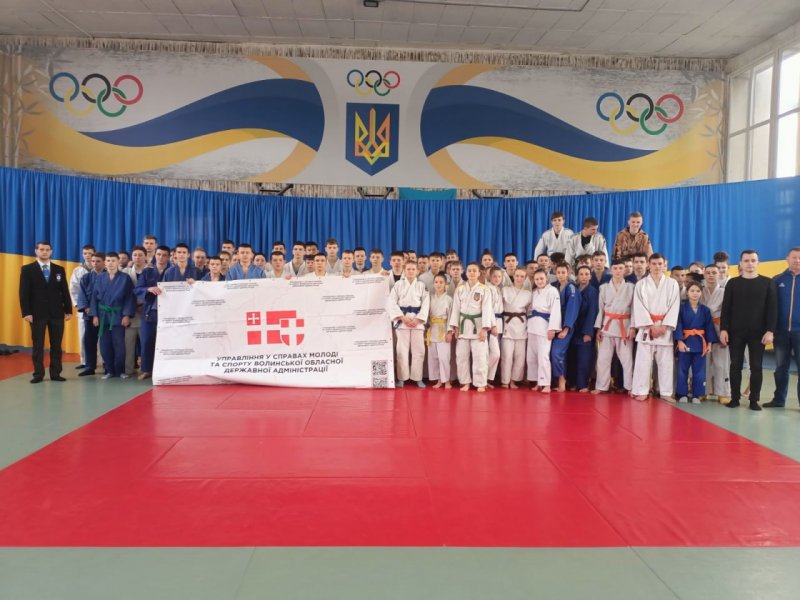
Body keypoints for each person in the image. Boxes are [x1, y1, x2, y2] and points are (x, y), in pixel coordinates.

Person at [720, 250, 777, 410]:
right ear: (740, 263)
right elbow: (726, 308)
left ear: (758, 263)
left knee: (756, 366)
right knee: (735, 365)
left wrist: (770, 331)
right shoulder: (733, 283)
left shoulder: (767, 283)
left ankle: (754, 400)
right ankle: (735, 398)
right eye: (746, 260)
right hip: (735, 332)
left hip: (759, 333)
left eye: (753, 260)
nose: (750, 263)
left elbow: (772, 309)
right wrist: (724, 329)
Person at [19, 241, 73, 384]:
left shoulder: (59, 269)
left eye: (47, 250)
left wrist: (68, 310)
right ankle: (38, 374)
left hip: (57, 313)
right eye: (41, 249)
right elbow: (23, 293)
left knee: (56, 345)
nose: (44, 252)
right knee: (38, 345)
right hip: (37, 314)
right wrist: (26, 312)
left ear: (51, 251)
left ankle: (55, 373)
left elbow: (65, 291)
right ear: (36, 251)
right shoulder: (28, 269)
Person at [631, 253, 681, 402]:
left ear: (665, 265)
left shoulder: (672, 283)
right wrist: (651, 325)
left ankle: (666, 392)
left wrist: (664, 326)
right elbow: (638, 306)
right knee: (643, 362)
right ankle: (641, 390)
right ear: (649, 265)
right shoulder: (641, 284)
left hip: (665, 328)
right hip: (647, 328)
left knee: (666, 363)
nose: (657, 267)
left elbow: (675, 306)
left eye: (660, 264)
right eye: (654, 264)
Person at [448, 262, 493, 392]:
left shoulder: (484, 289)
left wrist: (485, 328)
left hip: (478, 326)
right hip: (463, 326)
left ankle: (480, 383)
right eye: (469, 271)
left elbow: (487, 310)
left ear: (479, 273)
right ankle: (465, 382)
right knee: (461, 356)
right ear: (466, 273)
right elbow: (455, 309)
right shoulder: (460, 289)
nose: (472, 273)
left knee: (480, 356)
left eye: (474, 271)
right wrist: (455, 327)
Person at [91, 252, 137, 380]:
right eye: (108, 261)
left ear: (118, 262)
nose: (110, 263)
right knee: (105, 345)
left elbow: (129, 298)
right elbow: (94, 298)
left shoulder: (125, 278)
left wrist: (126, 315)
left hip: (118, 315)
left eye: (113, 260)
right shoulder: (100, 278)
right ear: (105, 263)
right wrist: (94, 315)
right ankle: (109, 370)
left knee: (119, 345)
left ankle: (120, 370)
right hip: (103, 315)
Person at [593, 259, 635, 394]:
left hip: (625, 326)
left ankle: (630, 387)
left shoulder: (631, 287)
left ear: (625, 270)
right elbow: (601, 309)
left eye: (620, 268)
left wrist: (633, 327)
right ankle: (601, 386)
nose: (618, 271)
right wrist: (599, 328)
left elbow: (634, 309)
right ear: (611, 270)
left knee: (627, 360)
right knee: (603, 359)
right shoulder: (604, 287)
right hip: (607, 326)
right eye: (615, 268)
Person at [765, 247, 800, 408]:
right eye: (794, 257)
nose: (797, 260)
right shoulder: (777, 280)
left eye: (799, 258)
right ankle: (779, 400)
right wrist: (771, 329)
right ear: (787, 259)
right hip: (781, 333)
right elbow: (770, 307)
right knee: (780, 368)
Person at [675, 281, 718, 403]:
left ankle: (696, 395)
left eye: (698, 291)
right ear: (687, 293)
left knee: (699, 371)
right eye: (692, 291)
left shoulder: (705, 310)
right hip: (685, 342)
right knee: (682, 370)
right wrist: (679, 341)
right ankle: (682, 393)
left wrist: (709, 343)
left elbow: (709, 327)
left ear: (701, 293)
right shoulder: (681, 308)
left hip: (700, 344)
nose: (695, 293)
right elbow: (678, 324)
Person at [388, 261, 429, 388]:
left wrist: (418, 319)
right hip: (402, 320)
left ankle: (417, 378)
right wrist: (401, 317)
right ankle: (402, 378)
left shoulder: (422, 285)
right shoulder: (398, 285)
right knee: (401, 351)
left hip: (417, 322)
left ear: (417, 271)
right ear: (404, 271)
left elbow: (426, 303)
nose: (411, 271)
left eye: (413, 269)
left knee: (419, 351)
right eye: (408, 269)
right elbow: (392, 302)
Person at [135, 245, 170, 380]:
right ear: (155, 255)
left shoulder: (172, 271)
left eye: (164, 255)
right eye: (159, 254)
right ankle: (146, 369)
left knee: (167, 342)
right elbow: (137, 289)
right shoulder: (147, 271)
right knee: (147, 341)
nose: (161, 257)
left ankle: (166, 369)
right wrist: (148, 289)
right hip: (150, 311)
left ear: (168, 257)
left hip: (169, 313)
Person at [527, 269, 561, 393]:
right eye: (537, 279)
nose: (539, 281)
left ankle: (546, 383)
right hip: (532, 326)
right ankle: (536, 382)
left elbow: (556, 311)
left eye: (541, 278)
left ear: (546, 278)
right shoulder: (534, 292)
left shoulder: (553, 291)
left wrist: (552, 328)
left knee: (543, 357)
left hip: (545, 327)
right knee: (531, 357)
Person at [701, 264, 730, 403]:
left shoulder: (725, 292)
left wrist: (726, 331)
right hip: (703, 329)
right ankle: (703, 390)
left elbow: (729, 312)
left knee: (721, 362)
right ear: (704, 275)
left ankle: (722, 392)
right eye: (708, 273)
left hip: (720, 328)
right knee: (704, 361)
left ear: (719, 274)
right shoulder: (700, 291)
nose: (711, 275)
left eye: (714, 272)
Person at [551, 262, 581, 392]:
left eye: (563, 272)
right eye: (558, 272)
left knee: (557, 352)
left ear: (568, 273)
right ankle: (554, 380)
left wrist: (566, 328)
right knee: (554, 353)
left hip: (565, 325)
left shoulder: (571, 288)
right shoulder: (553, 286)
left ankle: (562, 379)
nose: (560, 275)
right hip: (553, 323)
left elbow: (572, 309)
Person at [501, 269, 532, 388]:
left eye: (522, 276)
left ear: (525, 278)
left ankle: (514, 380)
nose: (519, 278)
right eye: (517, 276)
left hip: (521, 324)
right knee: (507, 355)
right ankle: (505, 381)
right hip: (508, 324)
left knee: (520, 356)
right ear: (513, 276)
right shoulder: (505, 289)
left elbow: (529, 310)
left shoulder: (528, 293)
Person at [570, 266, 599, 392]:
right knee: (573, 357)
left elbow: (593, 313)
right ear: (577, 276)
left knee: (584, 358)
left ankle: (583, 384)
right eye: (581, 274)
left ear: (590, 276)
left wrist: (588, 332)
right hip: (573, 328)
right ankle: (573, 383)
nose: (584, 277)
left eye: (586, 274)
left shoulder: (593, 292)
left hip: (585, 329)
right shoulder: (574, 289)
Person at [76, 252, 106, 377]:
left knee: (106, 342)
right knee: (89, 341)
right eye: (93, 261)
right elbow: (81, 295)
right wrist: (86, 308)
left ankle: (107, 365)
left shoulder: (110, 276)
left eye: (98, 261)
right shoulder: (86, 277)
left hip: (106, 314)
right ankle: (89, 366)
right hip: (90, 314)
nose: (95, 263)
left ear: (104, 262)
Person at [68, 244, 95, 369]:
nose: (87, 256)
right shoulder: (78, 270)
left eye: (90, 253)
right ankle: (84, 361)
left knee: (100, 336)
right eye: (85, 253)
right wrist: (78, 304)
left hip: (99, 308)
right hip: (83, 308)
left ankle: (101, 361)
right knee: (83, 335)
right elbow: (73, 289)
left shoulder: (101, 269)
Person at [122, 246, 148, 377]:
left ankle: (146, 369)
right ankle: (128, 369)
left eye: (140, 255)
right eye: (135, 255)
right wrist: (127, 312)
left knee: (146, 344)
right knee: (128, 344)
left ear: (145, 257)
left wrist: (144, 305)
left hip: (146, 312)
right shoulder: (125, 272)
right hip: (130, 313)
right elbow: (123, 294)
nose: (137, 257)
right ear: (131, 257)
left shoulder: (151, 271)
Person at [427, 273, 453, 389]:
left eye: (441, 282)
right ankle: (438, 379)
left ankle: (446, 380)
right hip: (432, 329)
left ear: (445, 284)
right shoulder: (429, 298)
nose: (438, 284)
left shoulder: (449, 299)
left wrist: (450, 332)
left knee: (444, 357)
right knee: (434, 357)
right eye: (436, 282)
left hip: (444, 329)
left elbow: (452, 316)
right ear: (433, 284)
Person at [486, 266, 505, 387]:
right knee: (495, 353)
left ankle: (487, 379)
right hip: (491, 323)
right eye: (494, 276)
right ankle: (482, 376)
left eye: (499, 276)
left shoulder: (498, 289)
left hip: (499, 322)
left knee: (494, 353)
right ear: (490, 277)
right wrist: (492, 325)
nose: (497, 279)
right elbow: (488, 309)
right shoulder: (488, 289)